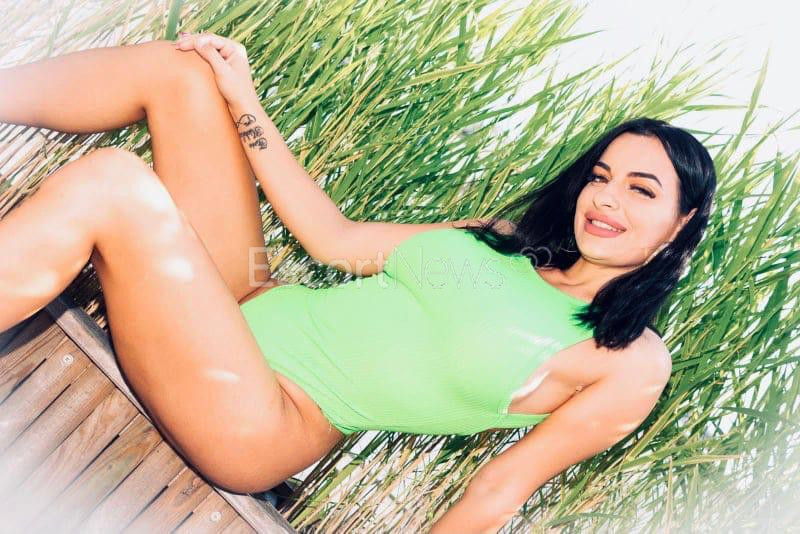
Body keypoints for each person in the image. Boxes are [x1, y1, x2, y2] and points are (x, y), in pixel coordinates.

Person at [0, 31, 716, 533]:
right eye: (601, 177)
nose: (607, 199)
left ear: (682, 223)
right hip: (239, 301)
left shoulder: (629, 360)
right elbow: (333, 239)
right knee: (182, 72)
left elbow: (498, 489)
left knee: (114, 185)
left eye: (641, 190)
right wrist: (243, 97)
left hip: (263, 415)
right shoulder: (502, 241)